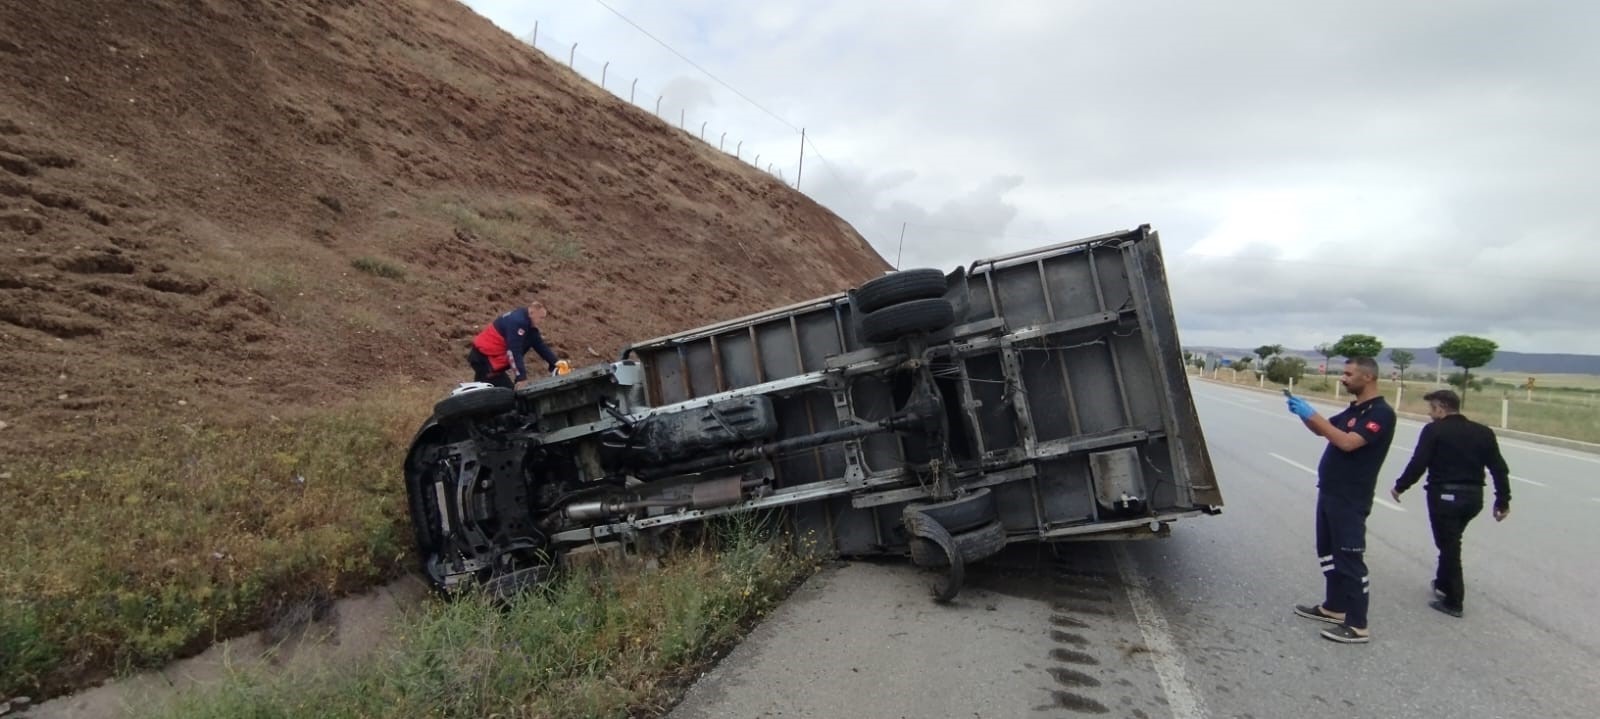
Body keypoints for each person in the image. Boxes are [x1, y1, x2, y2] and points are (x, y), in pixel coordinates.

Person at [1284, 356, 1397, 644]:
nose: (1342, 378)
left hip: (1351, 496)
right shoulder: (1355, 410)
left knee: (1349, 558)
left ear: (1368, 377)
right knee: (1328, 552)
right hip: (1331, 491)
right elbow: (1325, 430)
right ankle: (1333, 607)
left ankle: (1358, 624)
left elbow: (1347, 443)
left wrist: (1313, 415)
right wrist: (1304, 414)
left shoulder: (1381, 413)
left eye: (1348, 374)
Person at [1389, 389, 1510, 618]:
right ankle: (1443, 583)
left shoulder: (1434, 430)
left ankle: (1454, 601)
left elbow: (1419, 462)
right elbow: (1499, 468)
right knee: (1450, 541)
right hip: (1473, 499)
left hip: (1445, 497)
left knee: (1449, 546)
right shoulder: (1484, 432)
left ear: (1441, 407)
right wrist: (1502, 500)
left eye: (1431, 408)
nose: (1429, 413)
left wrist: (1400, 486)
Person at [467, 301, 559, 388]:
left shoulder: (528, 326)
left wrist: (556, 364)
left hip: (489, 359)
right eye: (541, 318)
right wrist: (521, 377)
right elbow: (514, 351)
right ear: (531, 313)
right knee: (504, 394)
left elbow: (540, 345)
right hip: (484, 358)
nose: (542, 321)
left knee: (503, 391)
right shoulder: (518, 322)